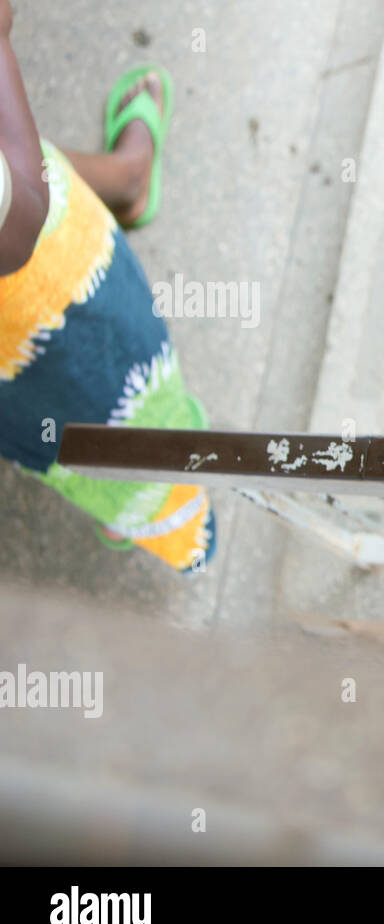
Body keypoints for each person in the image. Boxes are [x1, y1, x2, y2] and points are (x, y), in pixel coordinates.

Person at [0, 0, 215, 573]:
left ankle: (124, 181)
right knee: (95, 394)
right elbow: (18, 223)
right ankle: (135, 492)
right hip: (27, 303)